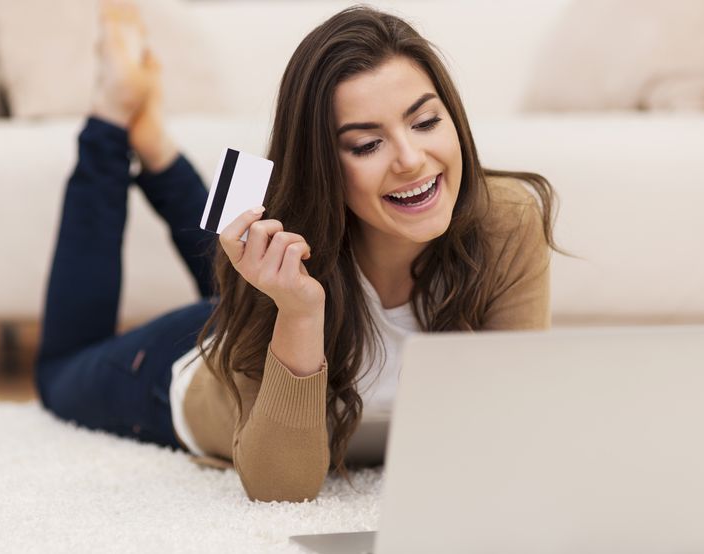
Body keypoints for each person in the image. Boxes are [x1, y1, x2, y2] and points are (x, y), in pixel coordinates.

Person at [36, 0, 559, 503]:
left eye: (425, 122)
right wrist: (299, 312)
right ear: (324, 167)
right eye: (366, 144)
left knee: (238, 244)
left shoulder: (508, 221)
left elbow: (512, 429)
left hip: (274, 280)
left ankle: (154, 143)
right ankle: (111, 118)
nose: (411, 159)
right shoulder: (286, 248)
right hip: (195, 365)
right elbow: (281, 487)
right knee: (59, 374)